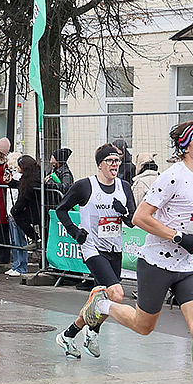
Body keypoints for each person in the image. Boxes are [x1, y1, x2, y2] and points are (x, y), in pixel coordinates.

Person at [77, 122, 193, 384]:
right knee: (143, 325)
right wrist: (177, 236)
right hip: (156, 263)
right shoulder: (172, 176)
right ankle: (102, 307)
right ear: (186, 146)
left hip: (189, 266)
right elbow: (139, 217)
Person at [54, 144, 136, 357]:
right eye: (110, 161)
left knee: (103, 298)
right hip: (92, 248)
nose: (114, 165)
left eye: (117, 161)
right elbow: (60, 209)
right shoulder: (85, 186)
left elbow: (132, 221)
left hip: (114, 248)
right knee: (116, 294)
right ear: (100, 164)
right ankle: (93, 330)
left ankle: (70, 334)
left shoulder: (124, 187)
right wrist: (75, 231)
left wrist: (124, 211)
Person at [8, 155, 44, 275]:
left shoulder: (32, 181)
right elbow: (21, 185)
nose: (17, 167)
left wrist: (14, 210)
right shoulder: (32, 177)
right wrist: (11, 183)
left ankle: (35, 238)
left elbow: (23, 196)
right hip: (36, 209)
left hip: (37, 211)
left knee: (19, 216)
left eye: (19, 165)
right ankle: (35, 238)